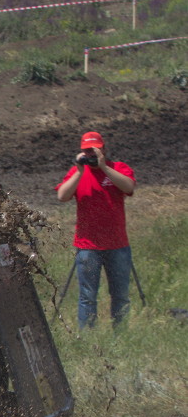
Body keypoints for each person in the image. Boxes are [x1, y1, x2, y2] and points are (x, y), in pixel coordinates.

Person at [55, 131, 136, 328]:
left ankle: (121, 334)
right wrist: (80, 171)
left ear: (103, 149)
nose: (91, 154)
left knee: (120, 295)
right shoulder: (77, 173)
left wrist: (103, 167)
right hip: (88, 245)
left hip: (117, 244)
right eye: (87, 151)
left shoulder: (118, 168)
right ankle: (88, 338)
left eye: (95, 150)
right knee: (88, 296)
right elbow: (62, 196)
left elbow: (129, 187)